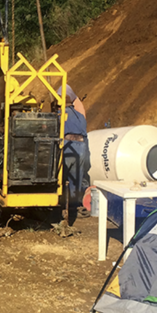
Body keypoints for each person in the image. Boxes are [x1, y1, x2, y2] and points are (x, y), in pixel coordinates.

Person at [59, 84, 91, 222]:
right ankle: (72, 210)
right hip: (81, 147)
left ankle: (59, 208)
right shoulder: (80, 116)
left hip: (66, 146)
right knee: (75, 180)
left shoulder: (59, 115)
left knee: (59, 178)